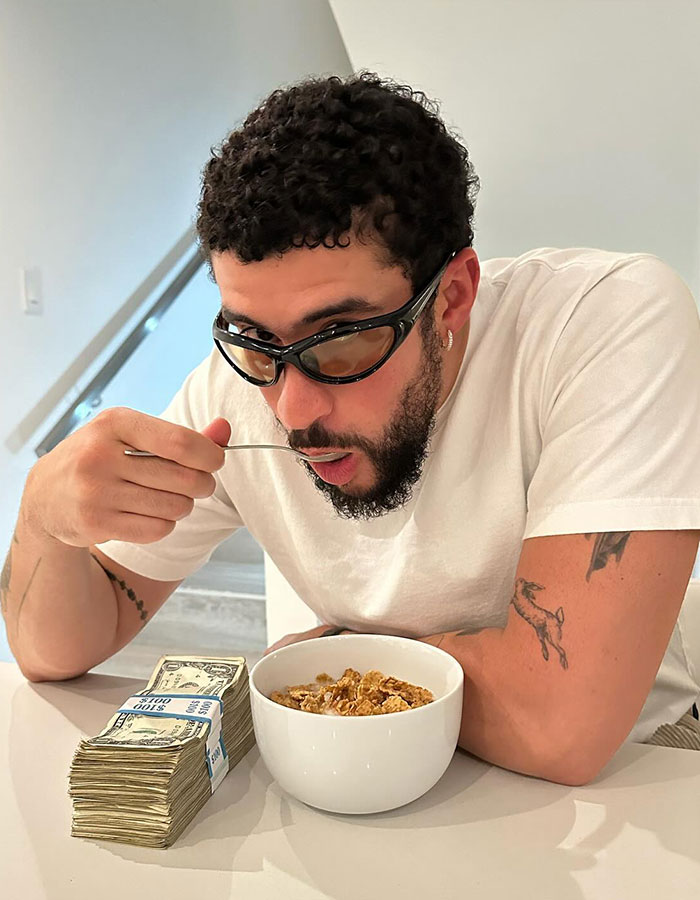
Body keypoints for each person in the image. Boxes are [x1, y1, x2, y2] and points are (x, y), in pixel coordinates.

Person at [2, 72, 700, 784]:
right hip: (368, 776)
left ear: (452, 295)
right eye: (252, 337)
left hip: (638, 780)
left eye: (339, 340)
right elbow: (54, 651)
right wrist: (44, 519)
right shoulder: (242, 387)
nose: (292, 410)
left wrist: (340, 652)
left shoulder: (604, 325)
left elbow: (561, 727)